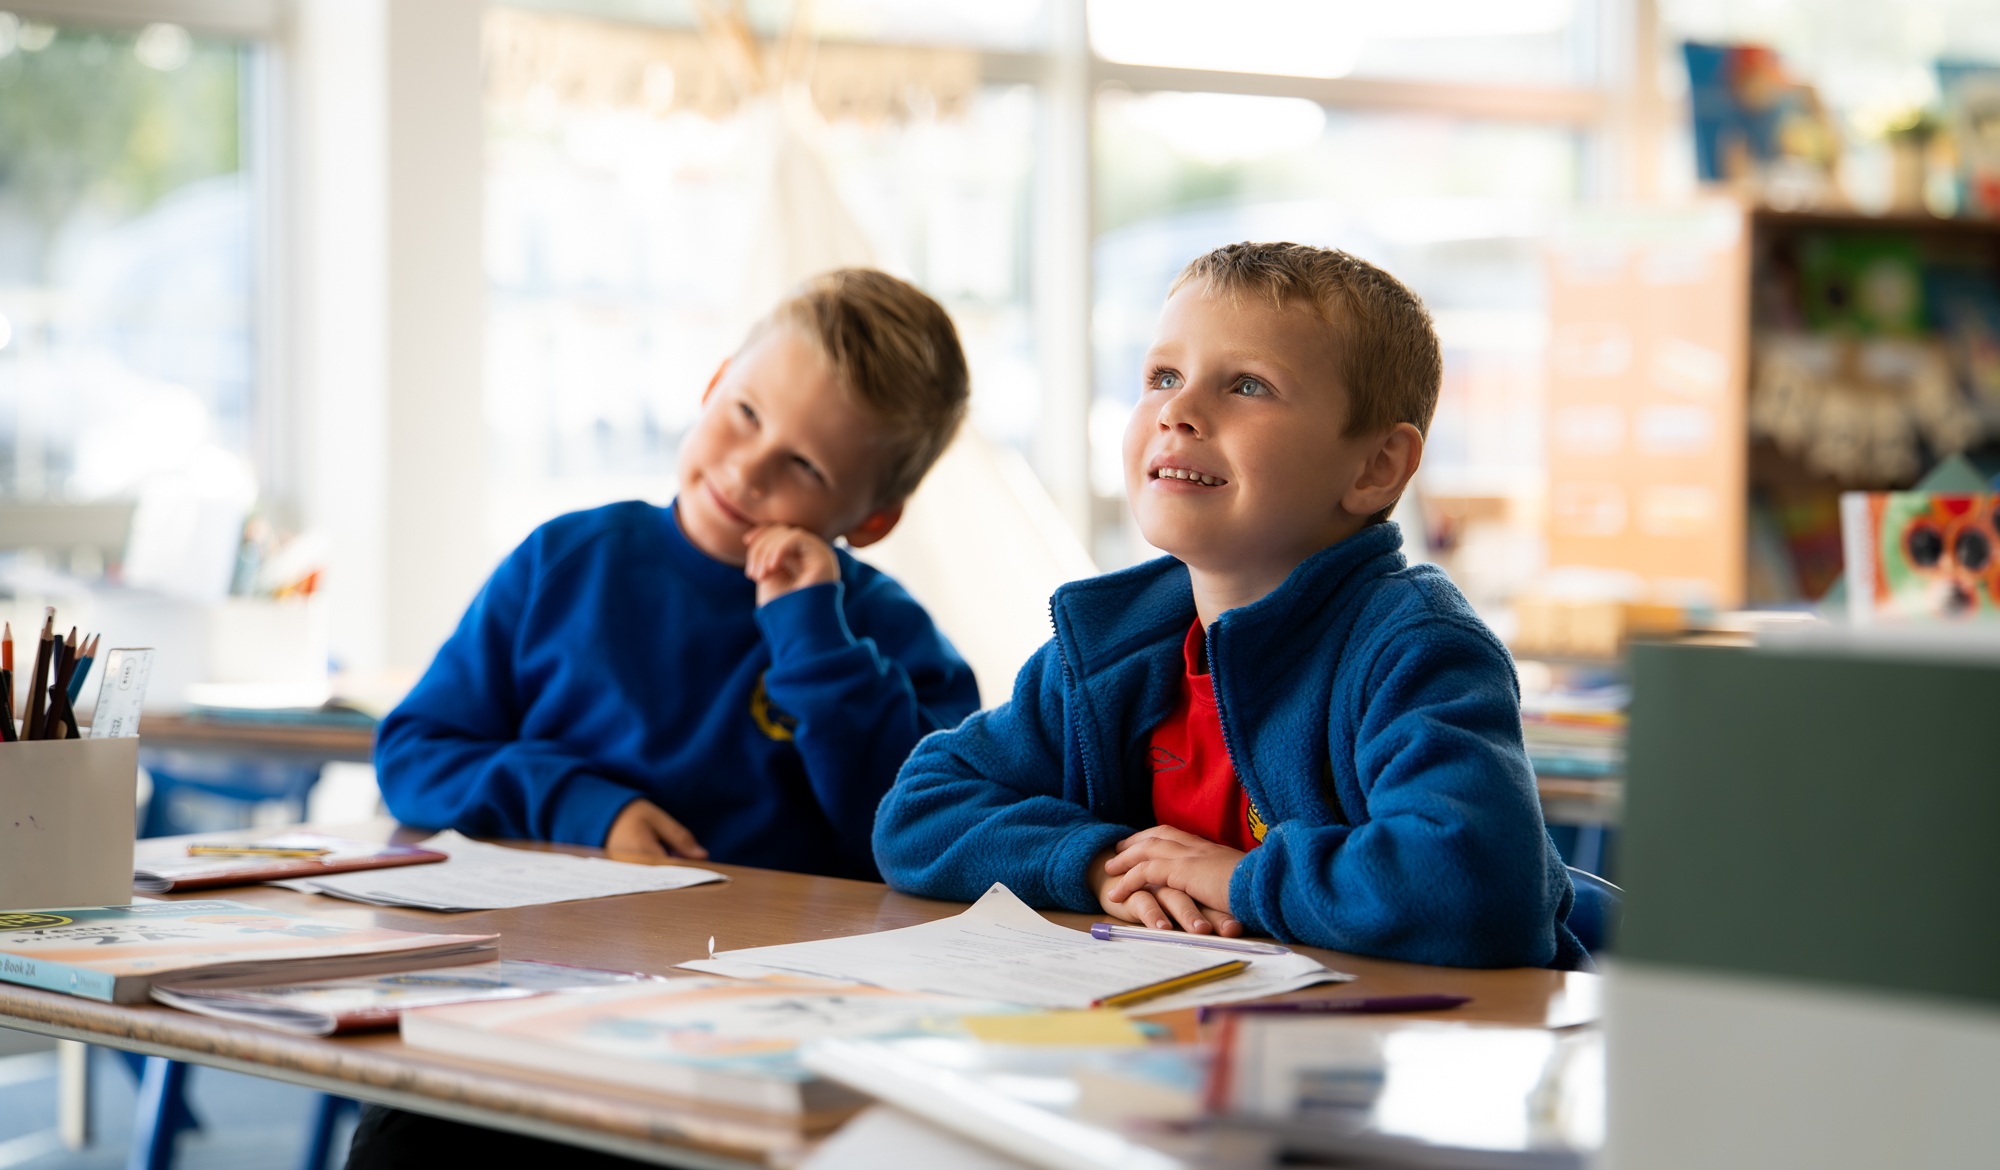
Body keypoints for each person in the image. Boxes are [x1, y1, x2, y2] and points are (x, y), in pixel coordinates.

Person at [873, 242, 1584, 969]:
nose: (1178, 409)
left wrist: (1238, 879)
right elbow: (918, 810)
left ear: (1375, 467)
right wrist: (1100, 862)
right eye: (1164, 376)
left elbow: (1472, 883)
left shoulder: (1414, 646)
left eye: (1247, 385)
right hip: (1191, 1036)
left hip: (1410, 1052)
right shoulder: (1116, 644)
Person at [374, 268, 980, 883]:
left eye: (805, 465)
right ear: (714, 382)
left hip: (779, 966)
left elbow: (928, 834)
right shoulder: (560, 564)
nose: (747, 472)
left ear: (873, 519)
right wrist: (579, 805)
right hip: (567, 952)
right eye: (746, 412)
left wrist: (815, 646)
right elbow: (414, 756)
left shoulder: (892, 635)